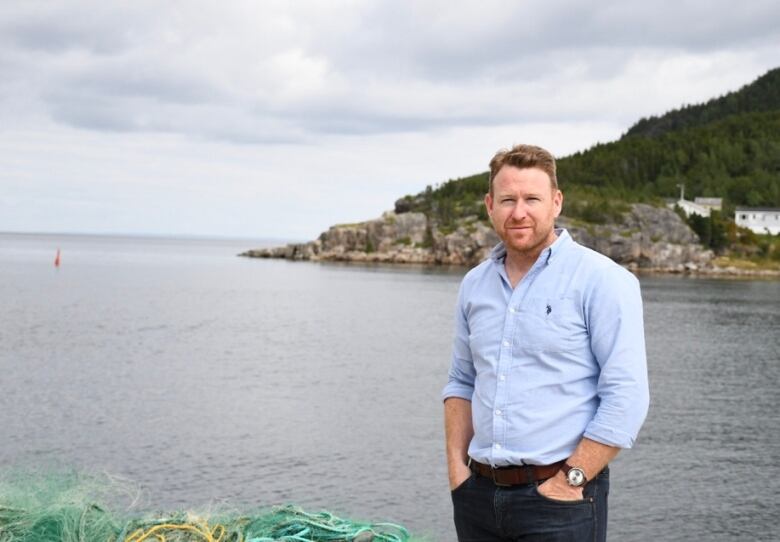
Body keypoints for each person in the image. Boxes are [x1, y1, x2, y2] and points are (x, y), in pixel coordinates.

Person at [442, 144, 649, 541]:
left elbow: (627, 395)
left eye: (531, 199)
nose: (519, 212)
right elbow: (460, 382)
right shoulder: (475, 285)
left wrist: (570, 480)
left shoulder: (602, 280)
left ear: (556, 202)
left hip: (560, 501)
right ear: (490, 205)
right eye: (507, 200)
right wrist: (457, 472)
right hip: (477, 498)